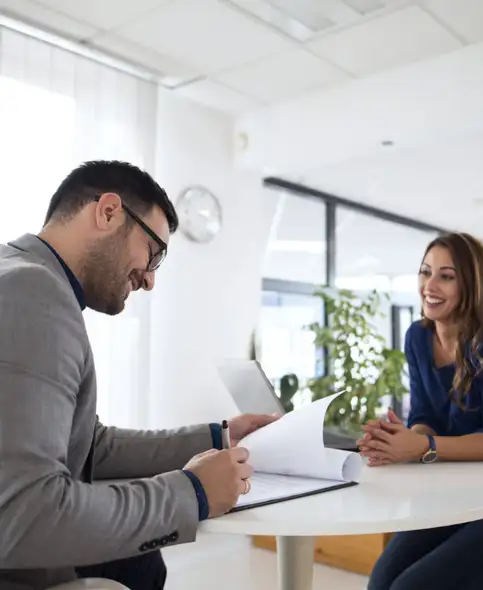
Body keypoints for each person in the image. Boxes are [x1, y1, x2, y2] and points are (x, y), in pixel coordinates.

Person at [0, 160, 278, 590]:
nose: (149, 280)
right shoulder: (33, 294)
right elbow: (25, 514)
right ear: (108, 212)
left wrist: (220, 437)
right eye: (153, 252)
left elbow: (89, 445)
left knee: (140, 563)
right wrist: (193, 493)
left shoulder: (23, 277)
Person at [357, 232, 483, 590]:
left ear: (470, 286)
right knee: (380, 580)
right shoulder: (417, 337)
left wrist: (423, 447)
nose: (429, 286)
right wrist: (400, 441)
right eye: (425, 272)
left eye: (446, 276)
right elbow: (425, 416)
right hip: (451, 490)